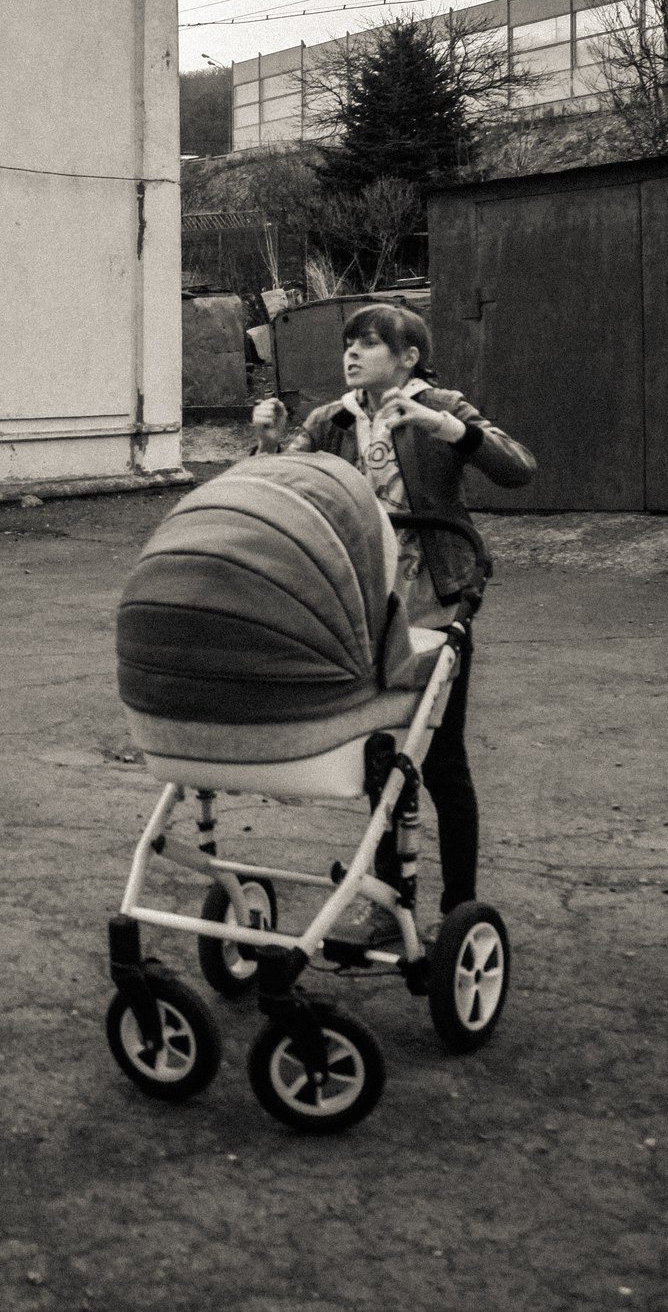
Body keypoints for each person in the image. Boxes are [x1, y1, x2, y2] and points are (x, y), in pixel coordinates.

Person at [251, 303, 535, 941]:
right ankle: (387, 901)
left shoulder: (440, 404)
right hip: (363, 609)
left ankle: (459, 910)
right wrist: (269, 445)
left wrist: (448, 429)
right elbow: (278, 491)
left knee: (442, 762)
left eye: (370, 344)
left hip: (435, 604)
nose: (352, 354)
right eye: (348, 344)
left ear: (408, 357)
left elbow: (518, 468)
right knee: (381, 756)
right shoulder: (332, 420)